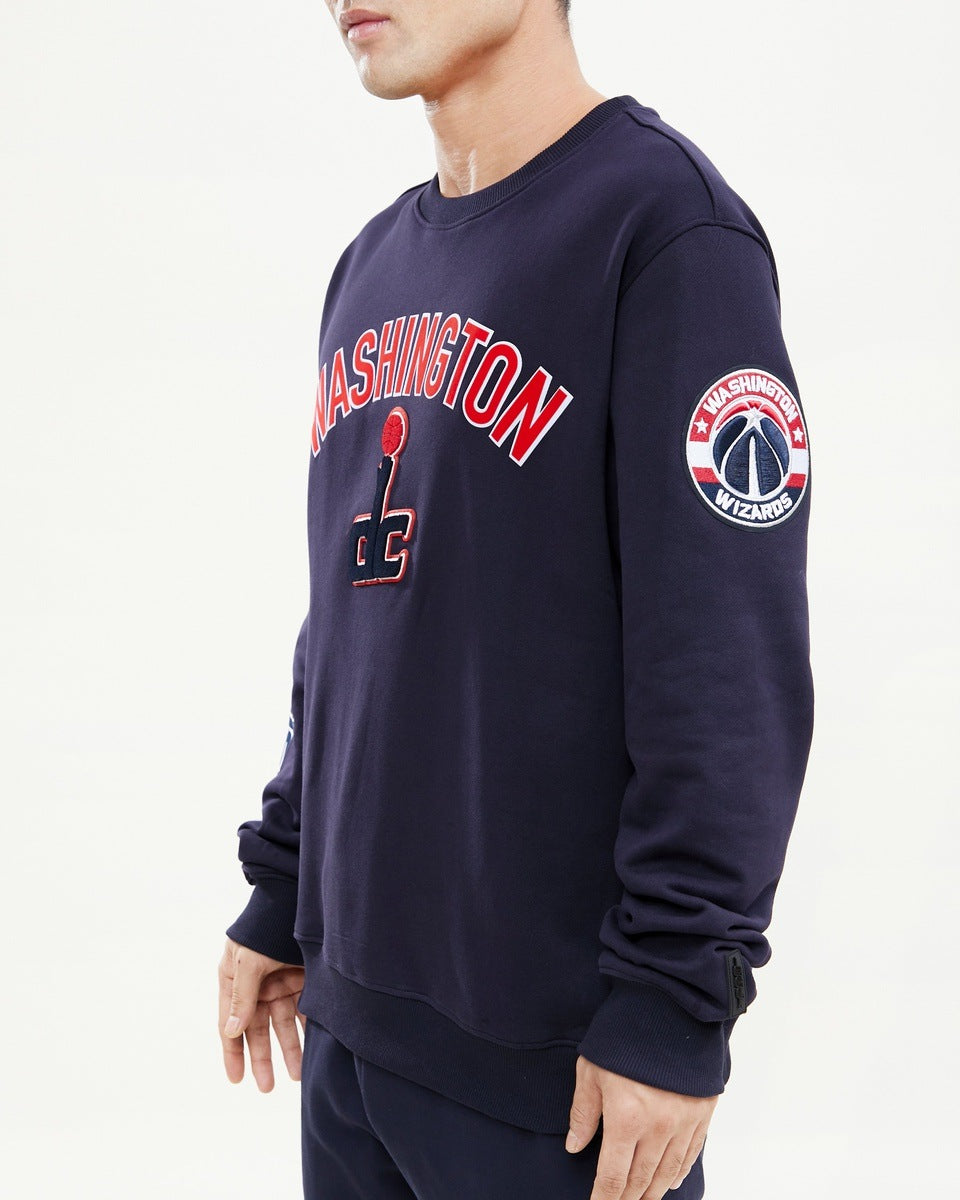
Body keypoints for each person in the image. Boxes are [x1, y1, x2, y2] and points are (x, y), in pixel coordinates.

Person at [217, 3, 814, 1198]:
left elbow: (725, 658)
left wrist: (675, 1001)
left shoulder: (667, 231)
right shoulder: (372, 265)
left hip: (555, 1074)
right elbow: (350, 617)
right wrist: (284, 887)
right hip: (352, 1022)